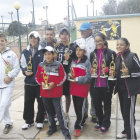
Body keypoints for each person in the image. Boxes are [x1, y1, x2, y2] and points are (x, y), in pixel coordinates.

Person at [35, 46, 71, 140]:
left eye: (49, 54)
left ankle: (65, 130)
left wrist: (54, 84)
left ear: (53, 55)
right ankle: (52, 128)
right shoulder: (40, 65)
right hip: (44, 93)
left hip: (56, 94)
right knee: (49, 112)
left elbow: (63, 77)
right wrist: (41, 82)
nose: (47, 56)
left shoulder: (59, 65)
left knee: (59, 113)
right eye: (45, 54)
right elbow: (37, 77)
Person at [90, 33, 116, 133]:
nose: (98, 43)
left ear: (104, 41)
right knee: (97, 105)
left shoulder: (111, 53)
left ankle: (106, 123)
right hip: (95, 84)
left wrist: (108, 69)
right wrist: (91, 69)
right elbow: (92, 67)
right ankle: (100, 121)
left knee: (107, 105)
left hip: (106, 85)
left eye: (100, 40)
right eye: (96, 41)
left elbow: (115, 68)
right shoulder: (93, 54)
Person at [115, 38, 140, 140]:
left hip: (130, 90)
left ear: (127, 46)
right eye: (117, 44)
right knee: (124, 113)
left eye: (121, 45)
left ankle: (132, 137)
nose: (119, 46)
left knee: (129, 114)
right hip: (121, 90)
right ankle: (126, 131)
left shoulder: (132, 56)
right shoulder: (117, 57)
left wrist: (129, 74)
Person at [20, 31, 45, 130]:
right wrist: (25, 71)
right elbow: (22, 63)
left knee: (41, 102)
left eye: (35, 38)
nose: (33, 40)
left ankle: (40, 120)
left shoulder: (42, 51)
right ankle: (28, 121)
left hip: (39, 83)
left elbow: (45, 63)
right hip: (29, 82)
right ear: (29, 39)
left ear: (38, 39)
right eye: (31, 38)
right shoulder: (25, 51)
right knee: (28, 102)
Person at [68, 40, 91, 137]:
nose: (78, 52)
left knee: (80, 106)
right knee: (77, 106)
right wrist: (70, 76)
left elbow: (89, 77)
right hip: (74, 88)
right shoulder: (73, 61)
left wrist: (77, 79)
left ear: (84, 52)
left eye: (80, 50)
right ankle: (82, 118)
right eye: (77, 50)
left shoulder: (87, 62)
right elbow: (70, 72)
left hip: (82, 89)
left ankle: (78, 126)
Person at [75, 22, 97, 123]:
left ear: (90, 30)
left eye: (84, 30)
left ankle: (94, 113)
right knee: (83, 94)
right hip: (81, 71)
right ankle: (84, 114)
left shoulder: (95, 41)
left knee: (93, 94)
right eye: (81, 30)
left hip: (93, 71)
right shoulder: (77, 41)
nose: (82, 32)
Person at [0, 33, 20, 134]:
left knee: (3, 105)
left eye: (2, 40)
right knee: (4, 105)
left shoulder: (11, 54)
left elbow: (17, 68)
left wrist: (10, 76)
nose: (0, 43)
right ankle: (8, 122)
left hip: (8, 84)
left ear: (6, 42)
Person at [56, 28, 76, 121]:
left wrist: (70, 59)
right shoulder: (57, 46)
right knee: (58, 95)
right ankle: (59, 112)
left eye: (66, 34)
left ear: (69, 36)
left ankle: (67, 113)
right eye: (62, 34)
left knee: (68, 95)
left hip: (68, 74)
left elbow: (77, 60)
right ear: (59, 36)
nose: (64, 36)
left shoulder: (73, 46)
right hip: (58, 74)